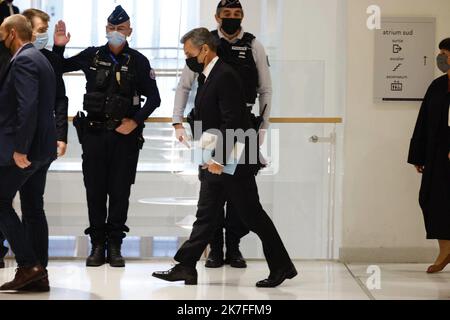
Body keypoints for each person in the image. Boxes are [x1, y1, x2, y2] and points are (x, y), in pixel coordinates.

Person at [153, 28, 297, 288]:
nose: (187, 58)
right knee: (206, 215)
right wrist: (207, 157)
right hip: (216, 159)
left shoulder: (225, 76)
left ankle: (282, 266)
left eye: (189, 53)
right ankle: (186, 266)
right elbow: (214, 121)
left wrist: (219, 159)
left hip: (233, 162)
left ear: (205, 50)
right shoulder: (208, 76)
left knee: (253, 216)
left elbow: (234, 122)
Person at [53, 5, 161, 268]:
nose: (115, 32)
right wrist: (58, 47)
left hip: (124, 138)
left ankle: (115, 245)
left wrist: (135, 122)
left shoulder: (138, 61)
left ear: (129, 31)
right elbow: (59, 67)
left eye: (121, 29)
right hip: (94, 134)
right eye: (111, 28)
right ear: (105, 30)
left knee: (120, 190)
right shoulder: (92, 55)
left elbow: (155, 98)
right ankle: (97, 244)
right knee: (95, 190)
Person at [172, 0, 272, 269]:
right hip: (208, 130)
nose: (231, 18)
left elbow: (265, 89)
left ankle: (234, 247)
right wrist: (177, 121)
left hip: (240, 128)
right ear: (217, 17)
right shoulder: (204, 43)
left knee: (240, 196)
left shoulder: (253, 45)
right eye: (226, 14)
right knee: (210, 193)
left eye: (236, 14)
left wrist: (263, 127)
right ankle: (212, 249)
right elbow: (183, 87)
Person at [0, 9, 70, 277]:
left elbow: (27, 108)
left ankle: (29, 265)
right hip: (42, 148)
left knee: (1, 200)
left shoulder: (24, 60)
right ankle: (39, 270)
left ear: (13, 33)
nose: (1, 39)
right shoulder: (40, 59)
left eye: (3, 34)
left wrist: (20, 148)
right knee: (32, 206)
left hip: (27, 150)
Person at [408, 38, 450, 274]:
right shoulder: (437, 85)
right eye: (441, 53)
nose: (442, 58)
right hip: (436, 155)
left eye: (445, 53)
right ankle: (445, 250)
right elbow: (423, 121)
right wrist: (419, 155)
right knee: (432, 200)